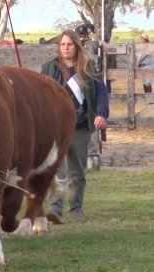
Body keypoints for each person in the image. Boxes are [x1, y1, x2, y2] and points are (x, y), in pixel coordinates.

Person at [41, 30, 109, 222]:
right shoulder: (49, 68)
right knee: (57, 169)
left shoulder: (88, 68)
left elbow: (102, 93)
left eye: (69, 44)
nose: (66, 48)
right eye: (63, 44)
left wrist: (102, 114)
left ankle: (76, 209)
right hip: (56, 128)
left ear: (77, 46)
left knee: (77, 170)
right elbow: (39, 94)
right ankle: (54, 210)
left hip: (80, 127)